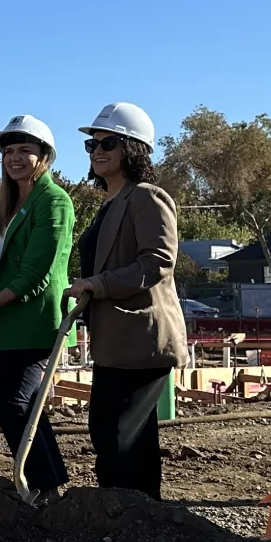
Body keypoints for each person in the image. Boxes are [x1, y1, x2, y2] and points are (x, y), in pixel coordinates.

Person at [66, 103, 187, 499]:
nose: (97, 150)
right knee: (112, 433)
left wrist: (97, 285)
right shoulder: (110, 203)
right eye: (92, 143)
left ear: (133, 149)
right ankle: (131, 521)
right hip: (114, 341)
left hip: (141, 340)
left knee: (121, 437)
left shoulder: (147, 198)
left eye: (109, 142)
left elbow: (157, 263)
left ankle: (136, 520)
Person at [0, 115, 74, 495]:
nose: (15, 158)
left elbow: (35, 274)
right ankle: (48, 484)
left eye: (26, 150)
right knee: (13, 403)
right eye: (9, 151)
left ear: (45, 155)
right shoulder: (9, 205)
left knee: (16, 403)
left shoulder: (54, 202)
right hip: (6, 322)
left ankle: (45, 485)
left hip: (32, 321)